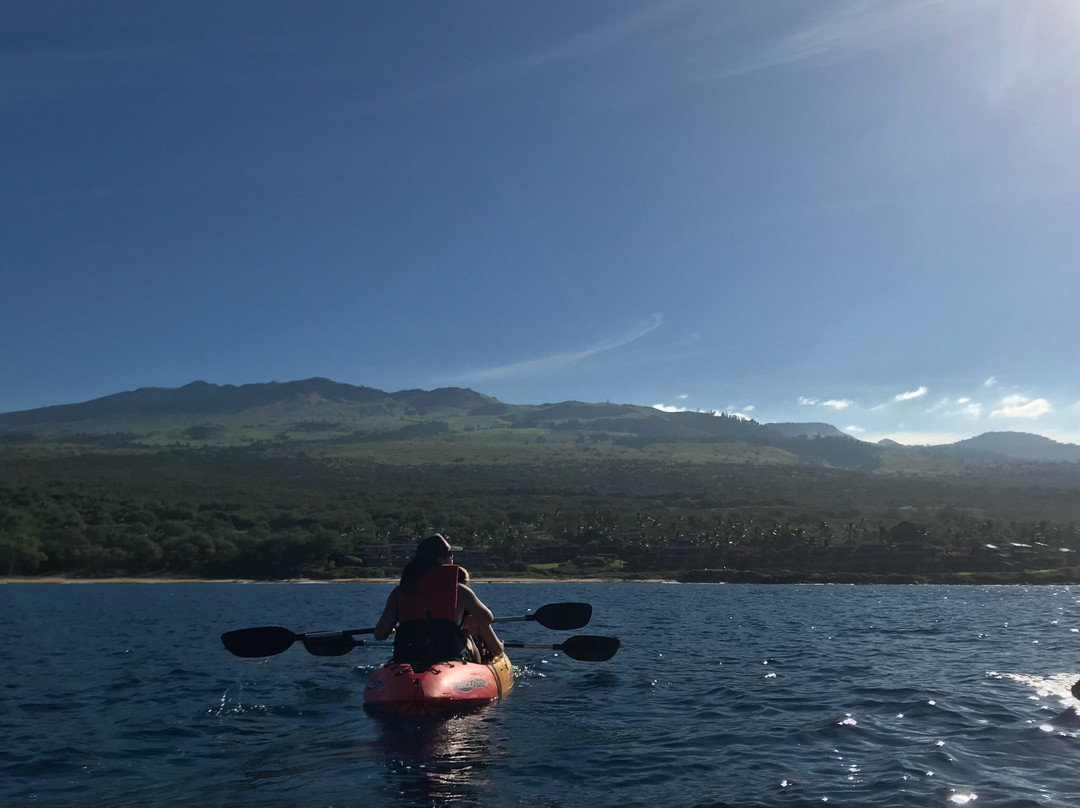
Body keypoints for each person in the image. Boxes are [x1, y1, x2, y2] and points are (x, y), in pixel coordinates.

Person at [373, 534, 504, 668]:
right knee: (466, 637)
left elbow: (380, 634)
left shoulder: (400, 591)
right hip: (448, 656)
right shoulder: (460, 590)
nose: (453, 559)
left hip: (408, 656)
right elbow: (488, 618)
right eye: (450, 555)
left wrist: (393, 628)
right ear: (442, 560)